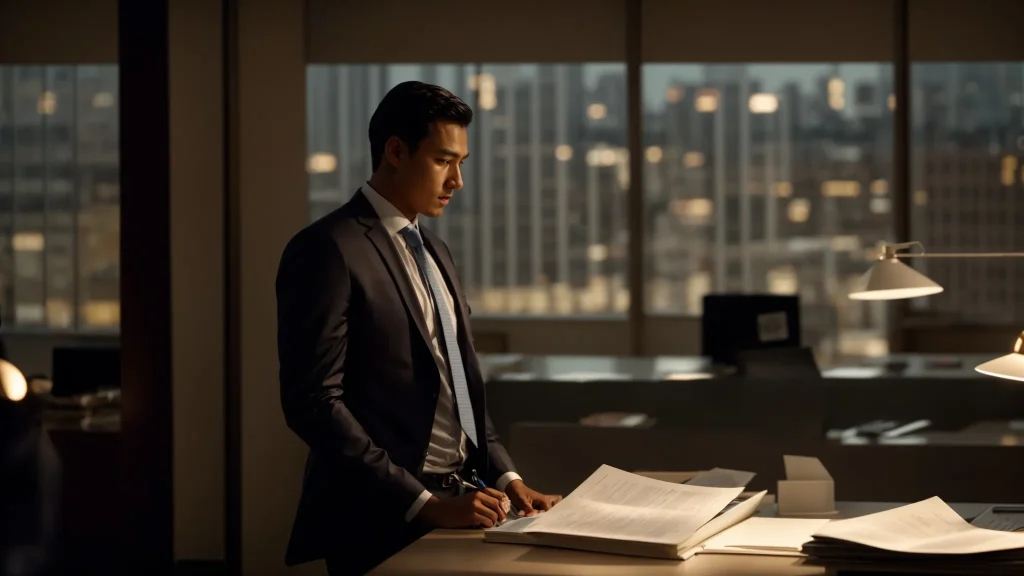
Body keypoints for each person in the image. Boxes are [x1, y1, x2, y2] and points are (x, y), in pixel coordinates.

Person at [276, 81, 561, 575]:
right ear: (395, 151)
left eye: (462, 163)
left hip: (464, 502)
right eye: (443, 161)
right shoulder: (327, 248)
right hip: (379, 514)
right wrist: (422, 501)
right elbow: (313, 403)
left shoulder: (435, 250)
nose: (457, 181)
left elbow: (458, 389)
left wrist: (507, 476)